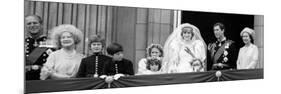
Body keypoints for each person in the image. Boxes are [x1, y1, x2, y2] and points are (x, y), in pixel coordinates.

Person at [25, 15, 55, 80]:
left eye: (35, 23)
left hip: (45, 81)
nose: (32, 25)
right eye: (29, 23)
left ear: (41, 25)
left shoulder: (52, 43)